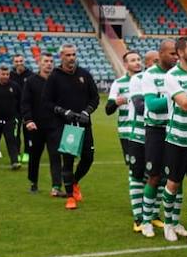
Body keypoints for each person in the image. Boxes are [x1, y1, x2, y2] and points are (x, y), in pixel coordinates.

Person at [43, 44, 99, 210]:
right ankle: (70, 197)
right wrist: (62, 111)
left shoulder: (84, 74)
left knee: (88, 157)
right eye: (68, 55)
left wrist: (87, 112)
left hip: (83, 123)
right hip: (64, 125)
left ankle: (74, 181)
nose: (71, 58)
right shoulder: (54, 76)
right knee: (67, 161)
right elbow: (46, 101)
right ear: (61, 57)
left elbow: (95, 98)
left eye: (73, 54)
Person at [158, 37, 187, 242]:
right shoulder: (172, 76)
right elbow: (184, 104)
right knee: (173, 184)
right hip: (177, 138)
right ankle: (169, 223)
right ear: (181, 52)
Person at [138, 39, 179, 235]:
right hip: (155, 129)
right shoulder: (150, 75)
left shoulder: (178, 73)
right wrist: (177, 96)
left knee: (174, 177)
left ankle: (173, 221)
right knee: (154, 176)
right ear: (161, 53)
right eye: (172, 53)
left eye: (176, 53)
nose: (175, 57)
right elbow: (152, 105)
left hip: (174, 129)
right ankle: (146, 220)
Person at [106, 51, 147, 230]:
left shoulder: (147, 80)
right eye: (133, 60)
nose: (137, 63)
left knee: (150, 172)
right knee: (135, 171)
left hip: (146, 131)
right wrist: (116, 102)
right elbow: (108, 109)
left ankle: (147, 209)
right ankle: (138, 212)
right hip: (127, 132)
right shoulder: (119, 83)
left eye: (138, 59)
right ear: (125, 64)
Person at [20, 53, 60, 194]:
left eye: (51, 61)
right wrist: (28, 120)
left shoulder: (57, 81)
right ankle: (33, 182)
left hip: (54, 126)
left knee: (55, 156)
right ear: (39, 63)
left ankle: (56, 186)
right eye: (46, 61)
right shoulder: (31, 81)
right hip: (35, 126)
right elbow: (25, 103)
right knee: (35, 156)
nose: (49, 64)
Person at [10, 53, 31, 162]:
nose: (19, 63)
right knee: (15, 133)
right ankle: (16, 153)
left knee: (28, 132)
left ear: (24, 61)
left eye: (20, 61)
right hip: (14, 109)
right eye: (16, 61)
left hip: (28, 109)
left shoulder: (30, 75)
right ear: (13, 63)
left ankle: (27, 152)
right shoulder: (10, 75)